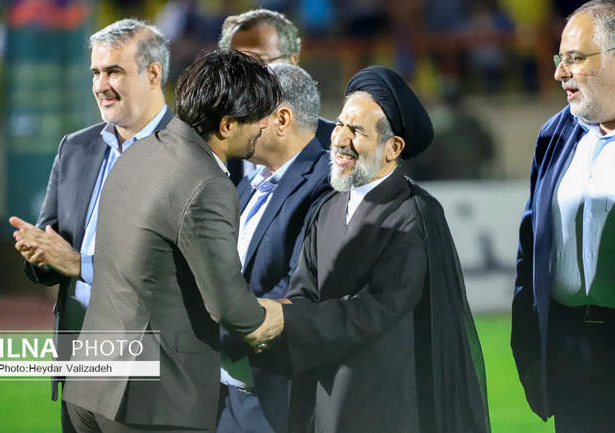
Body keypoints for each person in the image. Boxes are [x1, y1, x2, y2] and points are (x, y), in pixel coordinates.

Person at [249, 66, 491, 433]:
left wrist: (286, 320)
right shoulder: (327, 208)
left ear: (393, 147)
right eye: (340, 125)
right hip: (323, 396)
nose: (340, 140)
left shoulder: (414, 213)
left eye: (358, 131)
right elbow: (304, 292)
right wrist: (268, 316)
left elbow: (377, 308)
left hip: (385, 404)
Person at [62, 50, 285, 433]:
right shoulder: (207, 182)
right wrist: (278, 319)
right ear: (227, 125)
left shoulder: (140, 151)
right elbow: (229, 305)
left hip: (90, 384)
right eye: (258, 118)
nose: (264, 127)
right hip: (150, 404)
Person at [8, 18, 173, 433]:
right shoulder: (76, 147)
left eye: (114, 71)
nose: (101, 85)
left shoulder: (190, 152)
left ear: (153, 74)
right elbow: (52, 245)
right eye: (96, 72)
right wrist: (40, 254)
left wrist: (78, 263)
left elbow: (179, 268)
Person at [511, 1, 615, 432]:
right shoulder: (556, 134)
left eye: (574, 58)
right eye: (560, 58)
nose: (559, 72)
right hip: (572, 351)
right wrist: (531, 350)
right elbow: (530, 249)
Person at [217, 64, 331, 433]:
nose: (232, 125)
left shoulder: (327, 184)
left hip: (280, 400)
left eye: (245, 113)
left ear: (282, 119)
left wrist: (206, 330)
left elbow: (299, 287)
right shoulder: (249, 184)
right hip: (229, 394)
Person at [218, 8, 335, 183]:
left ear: (293, 62)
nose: (247, 75)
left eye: (259, 61)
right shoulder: (214, 148)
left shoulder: (336, 147)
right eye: (235, 64)